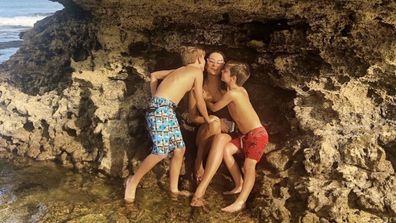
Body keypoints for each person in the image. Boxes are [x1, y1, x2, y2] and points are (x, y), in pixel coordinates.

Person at [124, 46, 216, 203]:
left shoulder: (180, 70)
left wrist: (155, 97)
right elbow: (199, 98)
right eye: (205, 58)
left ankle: (174, 189)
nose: (205, 63)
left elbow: (154, 75)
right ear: (199, 59)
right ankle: (132, 181)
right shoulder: (196, 72)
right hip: (162, 109)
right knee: (161, 151)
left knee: (179, 149)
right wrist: (207, 119)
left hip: (165, 109)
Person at [191, 61, 269, 213]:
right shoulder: (240, 90)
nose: (221, 72)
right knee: (226, 150)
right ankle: (239, 183)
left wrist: (204, 97)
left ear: (233, 77)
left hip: (257, 134)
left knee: (249, 166)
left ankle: (241, 201)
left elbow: (214, 107)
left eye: (225, 71)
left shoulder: (233, 93)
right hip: (245, 135)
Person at [184, 51, 234, 182]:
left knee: (218, 126)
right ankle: (198, 162)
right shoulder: (198, 86)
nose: (215, 65)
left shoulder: (228, 87)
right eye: (212, 61)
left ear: (224, 66)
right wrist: (212, 120)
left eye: (219, 63)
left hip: (225, 133)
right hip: (203, 132)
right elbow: (193, 117)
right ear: (205, 63)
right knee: (215, 122)